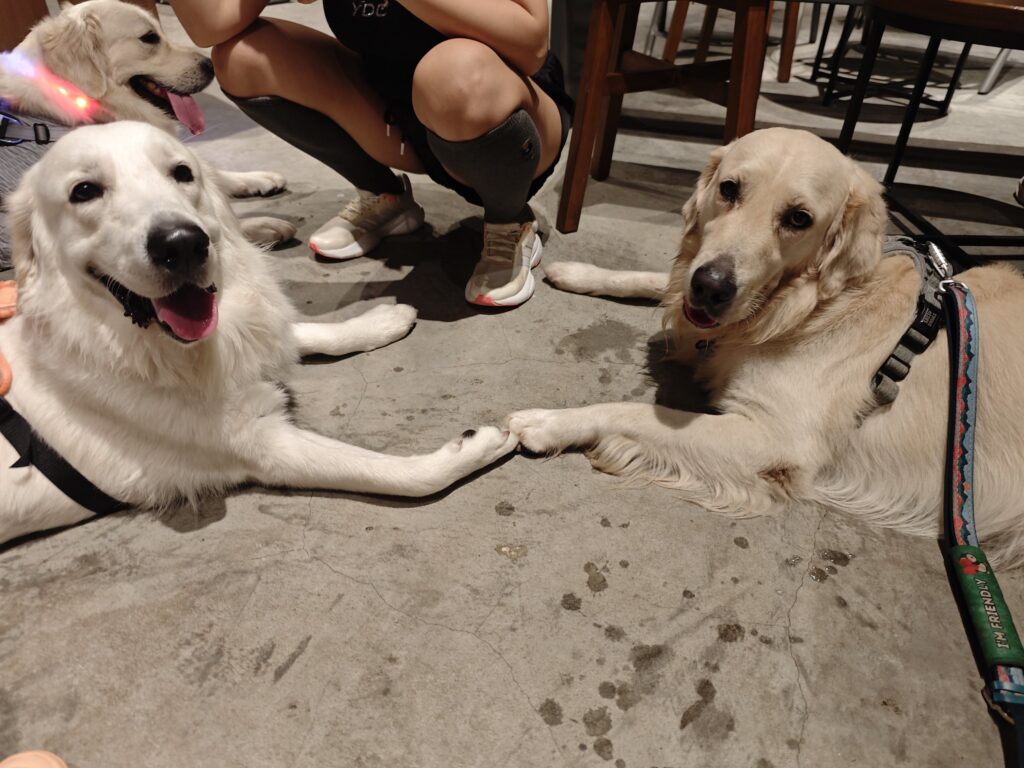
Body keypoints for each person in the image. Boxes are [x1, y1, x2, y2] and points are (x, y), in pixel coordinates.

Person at [170, 0, 573, 308]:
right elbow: (211, 24)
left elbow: (530, 44)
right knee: (242, 57)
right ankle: (383, 194)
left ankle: (509, 220)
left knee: (455, 72)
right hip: (396, 109)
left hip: (506, 109)